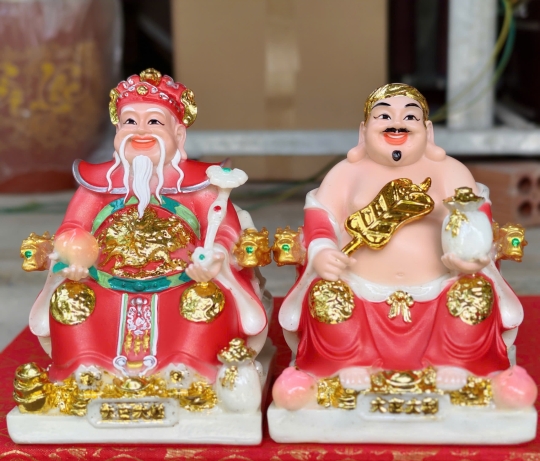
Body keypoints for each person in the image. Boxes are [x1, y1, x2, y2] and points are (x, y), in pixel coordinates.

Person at [274, 83, 535, 410]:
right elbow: (320, 220)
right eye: (384, 116)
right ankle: (349, 361)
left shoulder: (451, 172)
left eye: (410, 117)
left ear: (428, 131)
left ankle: (455, 360)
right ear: (363, 131)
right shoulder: (344, 174)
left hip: (440, 289)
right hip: (360, 290)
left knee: (475, 292)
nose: (397, 123)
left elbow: (477, 220)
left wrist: (471, 255)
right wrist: (323, 251)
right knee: (325, 295)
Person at [28, 68, 268, 384]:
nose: (140, 131)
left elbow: (225, 229)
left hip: (184, 279)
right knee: (70, 301)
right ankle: (85, 369)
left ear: (178, 134)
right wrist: (73, 254)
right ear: (117, 129)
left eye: (154, 122)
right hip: (104, 281)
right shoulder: (97, 184)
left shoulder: (201, 183)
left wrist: (216, 255)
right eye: (130, 121)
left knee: (205, 302)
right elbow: (74, 226)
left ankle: (190, 369)